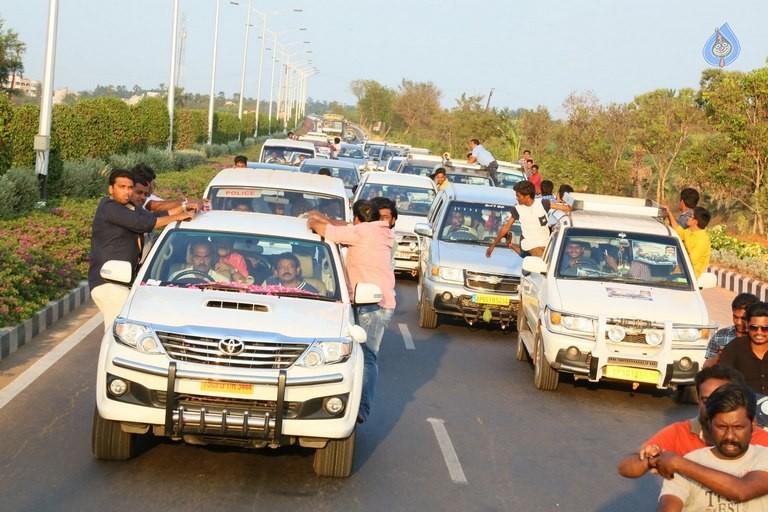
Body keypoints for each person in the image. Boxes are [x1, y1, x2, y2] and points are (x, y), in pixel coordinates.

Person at [307, 200, 395, 424]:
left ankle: (361, 409)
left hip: (373, 303)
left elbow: (319, 227)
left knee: (367, 357)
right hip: (370, 301)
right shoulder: (376, 230)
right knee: (357, 356)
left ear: (357, 219)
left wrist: (314, 215)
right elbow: (342, 227)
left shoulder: (363, 232)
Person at [617, 365, 768, 479]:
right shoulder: (679, 432)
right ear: (697, 399)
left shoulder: (761, 440)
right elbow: (626, 467)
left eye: (720, 400)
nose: (711, 407)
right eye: (706, 400)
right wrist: (649, 460)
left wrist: (681, 465)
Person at [89, 169, 195, 331]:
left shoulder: (130, 208)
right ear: (111, 189)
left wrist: (185, 207)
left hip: (126, 282)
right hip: (108, 283)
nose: (127, 191)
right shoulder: (109, 207)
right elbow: (143, 224)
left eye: (129, 187)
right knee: (116, 333)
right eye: (121, 187)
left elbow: (154, 216)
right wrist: (177, 217)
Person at [655, 383, 768, 510]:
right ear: (709, 424)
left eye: (738, 427)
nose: (730, 436)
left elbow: (743, 491)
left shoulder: (764, 457)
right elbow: (669, 506)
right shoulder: (691, 460)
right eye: (721, 427)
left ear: (753, 424)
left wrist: (679, 463)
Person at [486, 180, 569, 258]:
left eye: (518, 196)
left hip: (545, 245)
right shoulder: (517, 209)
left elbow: (565, 208)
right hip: (530, 246)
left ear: (527, 196)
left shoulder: (543, 203)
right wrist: (493, 245)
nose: (516, 198)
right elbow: (506, 227)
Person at [719, 301, 768, 395]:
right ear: (747, 325)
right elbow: (722, 379)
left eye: (765, 328)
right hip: (744, 405)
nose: (759, 332)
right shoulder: (734, 348)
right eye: (754, 328)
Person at [704, 293, 760, 368]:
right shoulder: (720, 336)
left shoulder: (761, 337)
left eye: (743, 318)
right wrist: (719, 356)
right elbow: (706, 367)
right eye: (735, 317)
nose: (738, 322)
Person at [664, 205, 712, 278]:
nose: (687, 218)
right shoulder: (689, 232)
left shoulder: (702, 240)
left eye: (690, 216)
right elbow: (678, 230)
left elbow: (689, 261)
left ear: (695, 221)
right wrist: (669, 213)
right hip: (679, 271)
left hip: (688, 277)